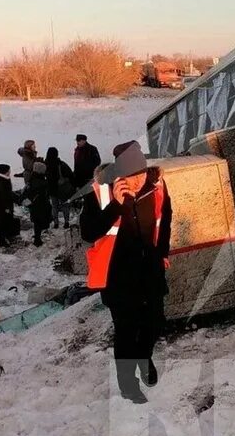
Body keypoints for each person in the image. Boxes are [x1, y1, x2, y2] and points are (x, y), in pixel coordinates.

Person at [81, 140, 171, 404]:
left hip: (150, 271)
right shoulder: (100, 194)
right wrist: (116, 206)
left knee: (155, 322)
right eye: (130, 177)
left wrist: (162, 253)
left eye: (140, 174)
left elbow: (165, 219)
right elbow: (88, 233)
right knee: (126, 332)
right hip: (118, 278)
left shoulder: (157, 186)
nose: (136, 181)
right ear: (118, 176)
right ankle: (128, 386)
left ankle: (144, 356)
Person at [45, 147, 74, 229]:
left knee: (54, 206)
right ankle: (66, 222)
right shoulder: (61, 164)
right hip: (62, 189)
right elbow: (70, 174)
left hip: (51, 189)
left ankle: (56, 223)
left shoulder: (46, 164)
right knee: (65, 206)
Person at [0, 164, 18, 247]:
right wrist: (6, 208)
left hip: (2, 206)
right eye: (9, 170)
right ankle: (2, 241)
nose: (10, 172)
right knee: (3, 223)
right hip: (3, 206)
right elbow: (3, 196)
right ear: (5, 172)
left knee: (5, 222)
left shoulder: (1, 180)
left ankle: (6, 238)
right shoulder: (2, 182)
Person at [26, 160, 52, 247]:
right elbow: (45, 194)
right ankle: (37, 239)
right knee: (39, 222)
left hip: (34, 206)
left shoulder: (32, 179)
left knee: (37, 222)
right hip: (40, 206)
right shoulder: (41, 182)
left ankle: (37, 236)